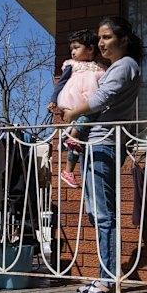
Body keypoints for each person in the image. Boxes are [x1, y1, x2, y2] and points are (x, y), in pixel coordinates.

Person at [63, 16, 143, 293]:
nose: (101, 43)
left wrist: (73, 113)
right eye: (99, 38)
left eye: (107, 37)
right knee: (97, 214)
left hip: (104, 143)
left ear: (124, 39)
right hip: (96, 143)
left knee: (104, 215)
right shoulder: (115, 67)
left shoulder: (125, 65)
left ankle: (106, 282)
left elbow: (102, 99)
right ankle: (103, 277)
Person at [48, 29, 107, 188]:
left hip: (89, 101)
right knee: (82, 125)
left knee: (80, 140)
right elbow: (61, 82)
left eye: (76, 48)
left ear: (90, 49)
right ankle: (71, 137)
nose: (73, 52)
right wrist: (53, 100)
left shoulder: (99, 68)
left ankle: (68, 170)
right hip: (75, 100)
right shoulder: (71, 65)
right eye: (71, 49)